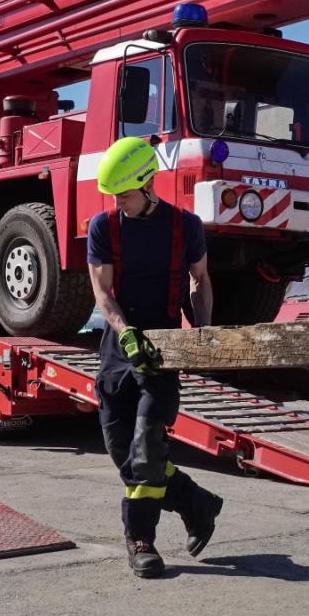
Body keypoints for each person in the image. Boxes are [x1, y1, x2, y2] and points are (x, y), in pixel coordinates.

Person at [86, 136, 223, 579]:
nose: (118, 202)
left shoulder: (186, 226)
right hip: (118, 352)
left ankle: (140, 540)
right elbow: (103, 292)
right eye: (114, 196)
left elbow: (200, 280)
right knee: (121, 451)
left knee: (145, 451)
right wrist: (126, 335)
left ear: (147, 183)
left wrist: (200, 334)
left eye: (124, 194)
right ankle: (195, 502)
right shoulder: (103, 227)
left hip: (162, 355)